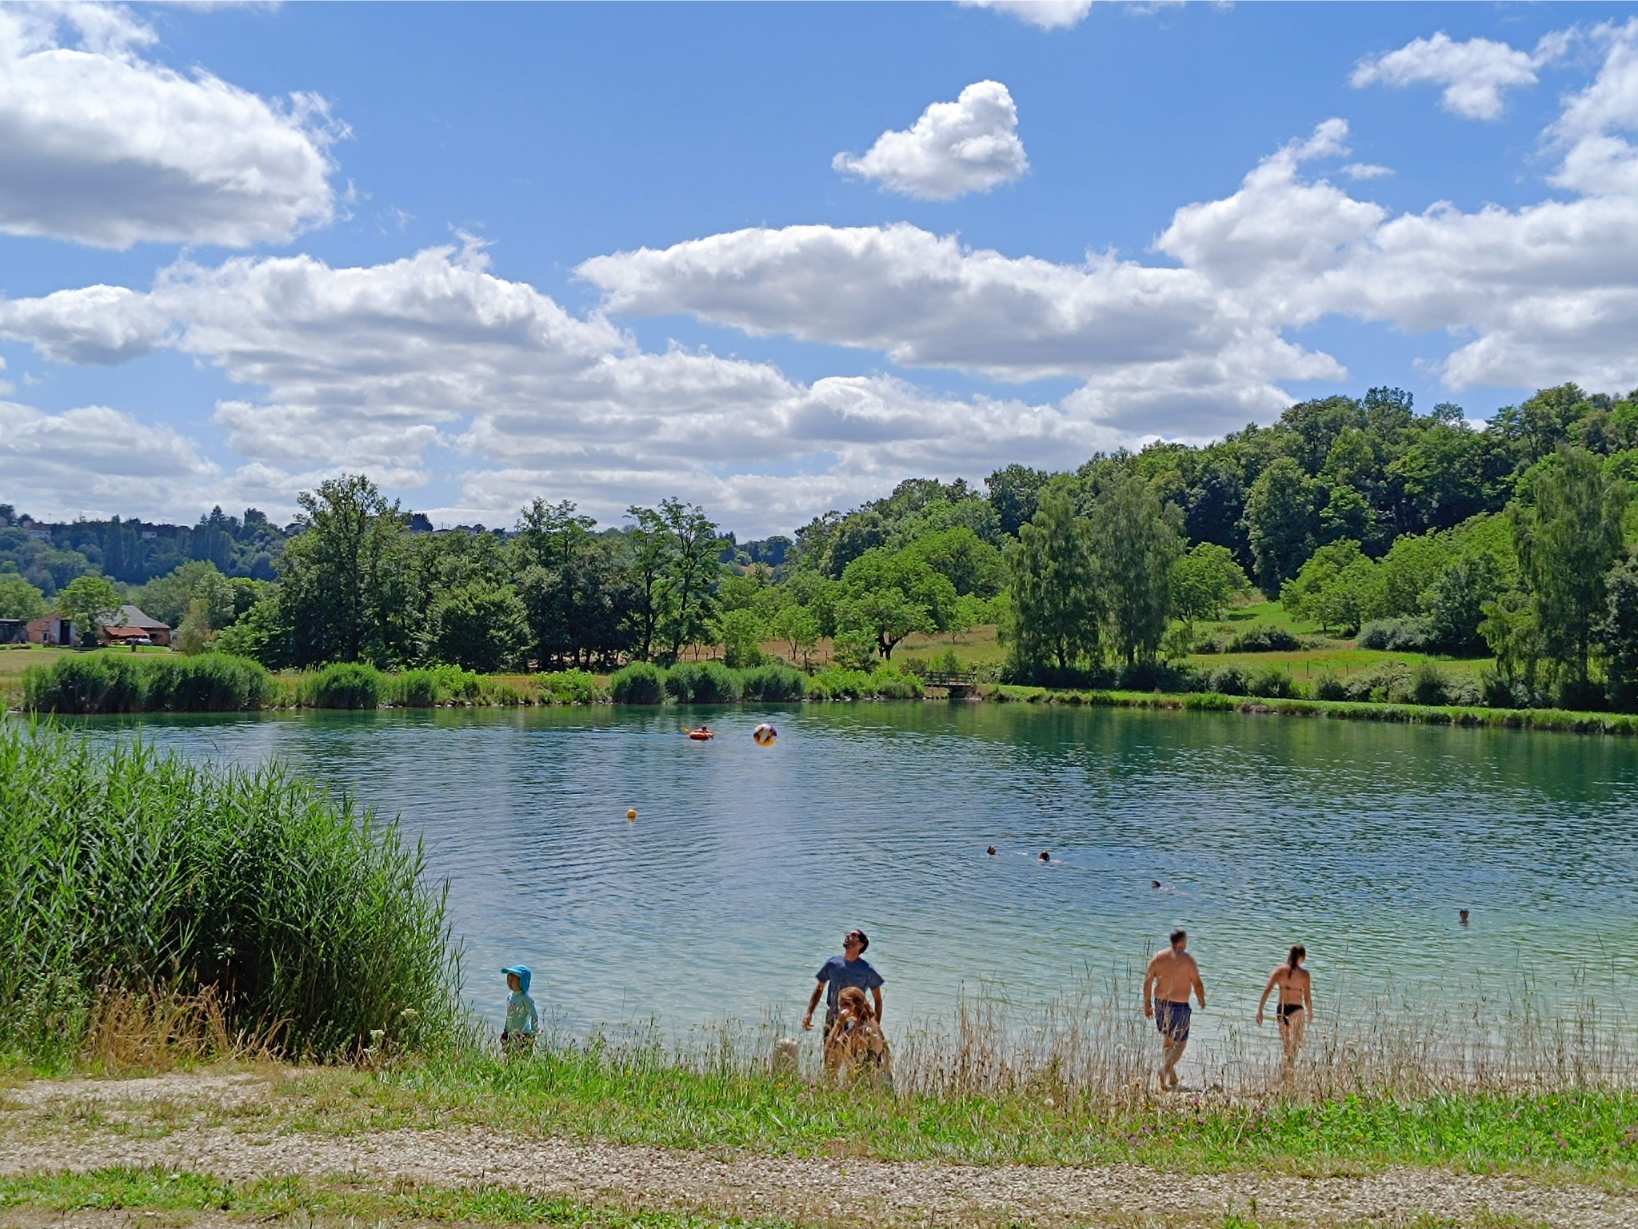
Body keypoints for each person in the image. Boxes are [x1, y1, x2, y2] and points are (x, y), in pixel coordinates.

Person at [1142, 929, 1206, 1090]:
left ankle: (1171, 1079)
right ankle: (1164, 1070)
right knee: (1181, 1043)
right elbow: (1197, 983)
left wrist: (1147, 1005)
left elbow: (1148, 981)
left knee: (1168, 1040)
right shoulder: (1187, 960)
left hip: (1161, 1004)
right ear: (1182, 942)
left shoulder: (1158, 957)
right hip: (1179, 1006)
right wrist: (1201, 999)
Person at [803, 929, 884, 1038]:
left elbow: (878, 1000)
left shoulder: (867, 970)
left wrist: (875, 1027)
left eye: (853, 935)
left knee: (851, 1054)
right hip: (832, 1017)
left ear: (861, 944)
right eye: (848, 934)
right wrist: (809, 1013)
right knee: (829, 1052)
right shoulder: (832, 963)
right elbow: (819, 989)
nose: (848, 935)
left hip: (855, 1022)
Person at [1255, 945, 1312, 1066]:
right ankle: (1291, 1069)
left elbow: (1267, 990)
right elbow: (1307, 998)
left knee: (1286, 1045)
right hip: (1297, 1009)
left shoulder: (1279, 971)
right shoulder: (1304, 974)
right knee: (1297, 1042)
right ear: (1302, 957)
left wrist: (1260, 1010)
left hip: (1281, 1010)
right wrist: (1310, 1013)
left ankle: (1287, 1070)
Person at [824, 985, 892, 1085]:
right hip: (872, 1082)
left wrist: (838, 1024)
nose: (842, 1009)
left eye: (846, 1004)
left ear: (857, 1005)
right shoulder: (862, 1024)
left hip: (871, 1084)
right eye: (841, 1005)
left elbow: (830, 1052)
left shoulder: (866, 1028)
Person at [500, 964, 538, 1055]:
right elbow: (509, 1016)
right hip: (510, 1033)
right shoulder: (510, 996)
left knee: (523, 1057)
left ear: (522, 982)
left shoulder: (525, 999)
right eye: (508, 979)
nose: (509, 982)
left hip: (523, 1035)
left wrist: (533, 1034)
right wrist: (505, 1031)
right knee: (509, 1055)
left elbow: (534, 1016)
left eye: (512, 979)